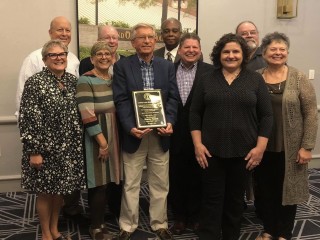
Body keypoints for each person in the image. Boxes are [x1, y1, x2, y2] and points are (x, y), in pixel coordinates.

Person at [189, 33, 273, 240]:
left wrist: (260, 148)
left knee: (235, 202)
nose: (231, 55)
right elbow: (194, 113)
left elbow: (267, 115)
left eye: (236, 51)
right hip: (210, 152)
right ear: (219, 54)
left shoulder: (255, 79)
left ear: (243, 54)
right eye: (226, 51)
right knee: (211, 201)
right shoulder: (206, 78)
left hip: (244, 153)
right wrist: (197, 145)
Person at [113, 23, 179, 240]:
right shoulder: (123, 66)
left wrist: (169, 121)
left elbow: (172, 98)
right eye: (142, 38)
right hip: (135, 134)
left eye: (151, 37)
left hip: (160, 134)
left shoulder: (166, 66)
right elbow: (121, 99)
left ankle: (159, 224)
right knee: (131, 182)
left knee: (160, 183)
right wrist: (130, 126)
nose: (147, 41)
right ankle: (128, 225)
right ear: (133, 42)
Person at [18, 39, 86, 240]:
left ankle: (55, 229)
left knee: (59, 193)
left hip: (67, 149)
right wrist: (34, 151)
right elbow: (28, 118)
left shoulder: (73, 82)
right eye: (53, 55)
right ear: (45, 60)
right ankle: (46, 233)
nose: (58, 58)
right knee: (45, 193)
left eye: (62, 54)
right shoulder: (35, 82)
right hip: (44, 150)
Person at [254, 32, 318, 240]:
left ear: (287, 53)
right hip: (262, 146)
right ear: (264, 53)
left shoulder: (298, 78)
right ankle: (269, 229)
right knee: (265, 190)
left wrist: (307, 146)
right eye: (273, 49)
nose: (278, 53)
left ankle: (284, 232)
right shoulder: (256, 77)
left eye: (282, 49)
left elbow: (310, 113)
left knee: (289, 190)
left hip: (292, 148)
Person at [76, 41, 121, 240]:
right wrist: (102, 142)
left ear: (113, 57)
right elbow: (86, 113)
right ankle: (96, 227)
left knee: (110, 182)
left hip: (116, 134)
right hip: (97, 135)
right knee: (98, 183)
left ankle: (103, 222)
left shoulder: (114, 79)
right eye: (99, 54)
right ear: (92, 58)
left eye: (107, 54)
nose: (104, 57)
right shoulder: (85, 80)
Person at [169, 33, 212, 235]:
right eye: (187, 47)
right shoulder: (169, 70)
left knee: (198, 177)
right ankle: (179, 217)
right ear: (179, 50)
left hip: (201, 136)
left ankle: (195, 217)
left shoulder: (211, 72)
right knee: (176, 177)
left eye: (195, 47)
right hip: (172, 133)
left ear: (200, 50)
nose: (191, 50)